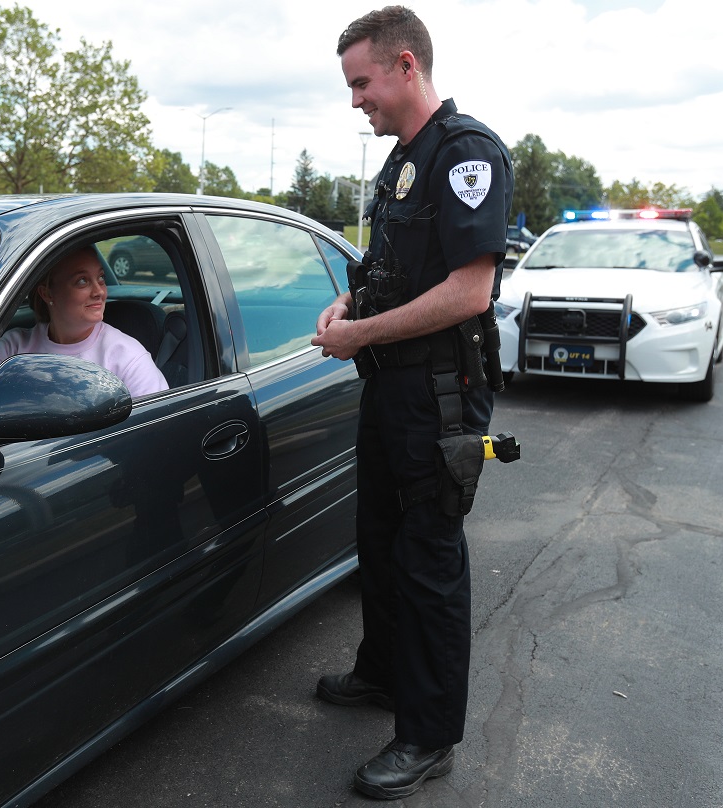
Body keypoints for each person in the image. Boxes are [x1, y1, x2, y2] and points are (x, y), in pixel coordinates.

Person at [311, 6, 513, 800]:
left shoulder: (465, 155)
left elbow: (470, 291)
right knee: (382, 541)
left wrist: (362, 336)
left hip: (439, 396)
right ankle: (384, 675)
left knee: (429, 562)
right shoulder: (400, 161)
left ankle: (429, 735)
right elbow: (380, 272)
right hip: (389, 387)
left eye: (361, 82)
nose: (355, 98)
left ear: (404, 66)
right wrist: (343, 314)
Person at [0, 246, 169, 398]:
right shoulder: (11, 349)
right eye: (82, 281)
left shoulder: (128, 357)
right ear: (47, 294)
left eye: (101, 278)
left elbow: (159, 429)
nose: (99, 291)